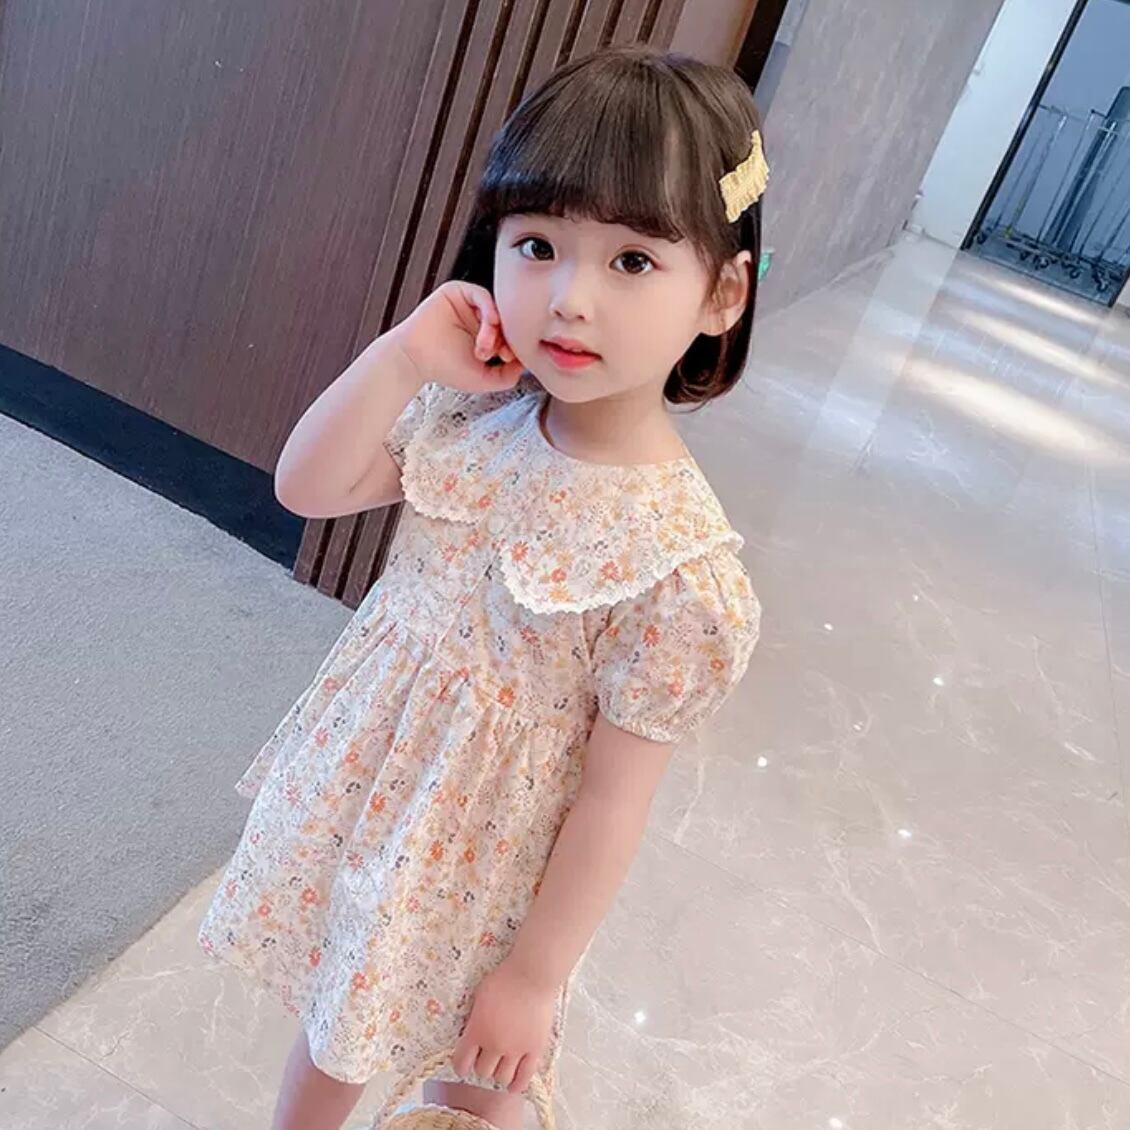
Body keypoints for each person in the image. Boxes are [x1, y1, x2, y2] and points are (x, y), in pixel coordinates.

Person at [198, 44, 767, 1130]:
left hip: (492, 881)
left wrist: (535, 975)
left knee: (480, 1083)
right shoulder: (470, 418)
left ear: (721, 292)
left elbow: (614, 798)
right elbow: (307, 486)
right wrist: (403, 360)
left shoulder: (678, 569)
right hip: (371, 804)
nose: (569, 299)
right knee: (339, 1018)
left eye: (632, 260)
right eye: (537, 245)